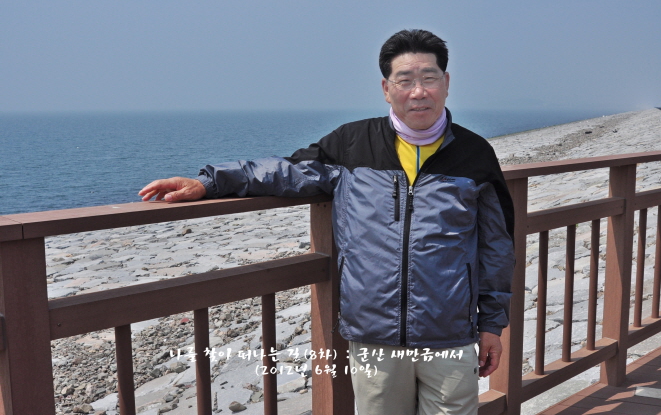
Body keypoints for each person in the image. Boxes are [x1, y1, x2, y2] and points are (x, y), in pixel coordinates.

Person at [139, 29, 515, 415]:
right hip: (374, 335)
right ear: (386, 89)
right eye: (404, 80)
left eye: (429, 78)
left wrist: (491, 325)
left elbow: (497, 247)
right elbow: (285, 171)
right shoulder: (352, 144)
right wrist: (209, 182)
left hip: (450, 335)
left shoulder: (475, 154)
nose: (418, 91)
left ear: (446, 83)